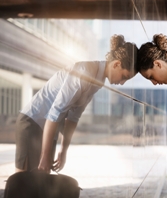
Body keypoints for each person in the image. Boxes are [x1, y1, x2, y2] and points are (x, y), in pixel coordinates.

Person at [15, 34, 138, 173]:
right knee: (21, 183)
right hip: (32, 121)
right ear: (116, 64)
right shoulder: (85, 71)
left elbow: (73, 118)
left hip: (49, 129)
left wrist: (63, 151)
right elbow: (54, 113)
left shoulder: (99, 81)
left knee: (41, 185)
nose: (122, 82)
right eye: (124, 76)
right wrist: (44, 156)